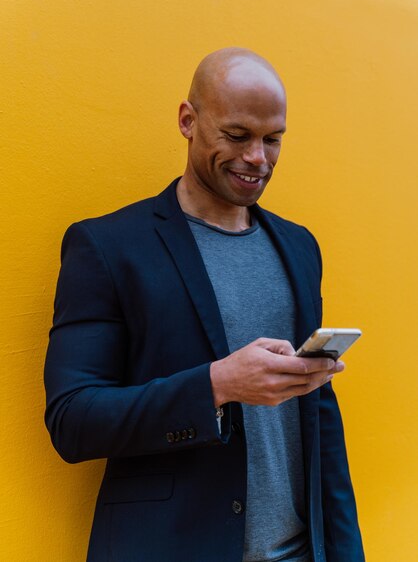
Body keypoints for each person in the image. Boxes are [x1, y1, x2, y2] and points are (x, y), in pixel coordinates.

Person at [44, 48, 364, 562]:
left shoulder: (300, 246)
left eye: (273, 138)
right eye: (237, 136)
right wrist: (216, 386)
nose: (258, 157)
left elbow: (319, 420)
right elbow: (73, 421)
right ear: (188, 121)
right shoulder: (106, 247)